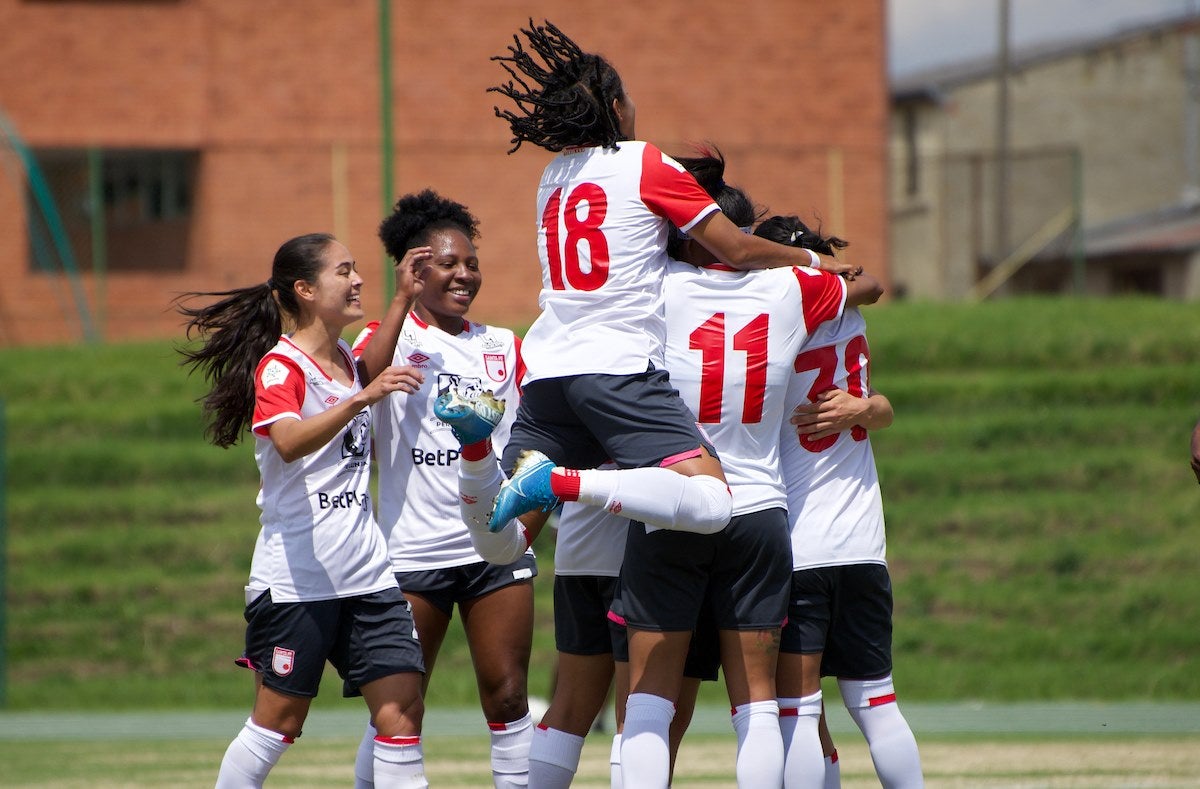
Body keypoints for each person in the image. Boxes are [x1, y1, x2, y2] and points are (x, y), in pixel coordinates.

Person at [481, 18, 862, 547]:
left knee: (503, 547)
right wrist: (811, 260)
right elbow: (736, 248)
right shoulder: (645, 162)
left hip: (548, 373)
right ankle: (558, 482)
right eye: (631, 100)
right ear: (615, 109)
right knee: (711, 504)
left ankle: (475, 449)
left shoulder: (553, 176)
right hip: (616, 366)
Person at [620, 150, 882, 787]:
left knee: (650, 705)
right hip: (758, 509)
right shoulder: (790, 289)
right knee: (759, 707)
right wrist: (805, 258)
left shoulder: (657, 286)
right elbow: (862, 283)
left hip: (676, 500)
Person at [176, 233, 430, 788]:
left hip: (366, 574)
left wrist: (403, 299)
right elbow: (288, 441)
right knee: (279, 723)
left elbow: (369, 366)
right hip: (298, 581)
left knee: (402, 708)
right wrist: (361, 398)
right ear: (306, 290)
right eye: (345, 271)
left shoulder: (342, 358)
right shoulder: (279, 368)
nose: (358, 278)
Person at [352, 190, 539, 789]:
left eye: (471, 263)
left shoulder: (504, 346)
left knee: (509, 698)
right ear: (414, 267)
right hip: (411, 555)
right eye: (448, 263)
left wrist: (519, 530)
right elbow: (361, 380)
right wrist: (401, 300)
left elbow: (534, 440)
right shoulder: (385, 340)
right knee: (400, 707)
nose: (464, 274)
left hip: (492, 552)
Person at [760, 214, 926, 789]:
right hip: (863, 543)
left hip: (801, 543)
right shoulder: (849, 316)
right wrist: (869, 407)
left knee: (799, 710)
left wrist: (870, 407)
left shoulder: (774, 319)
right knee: (876, 705)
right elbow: (879, 405)